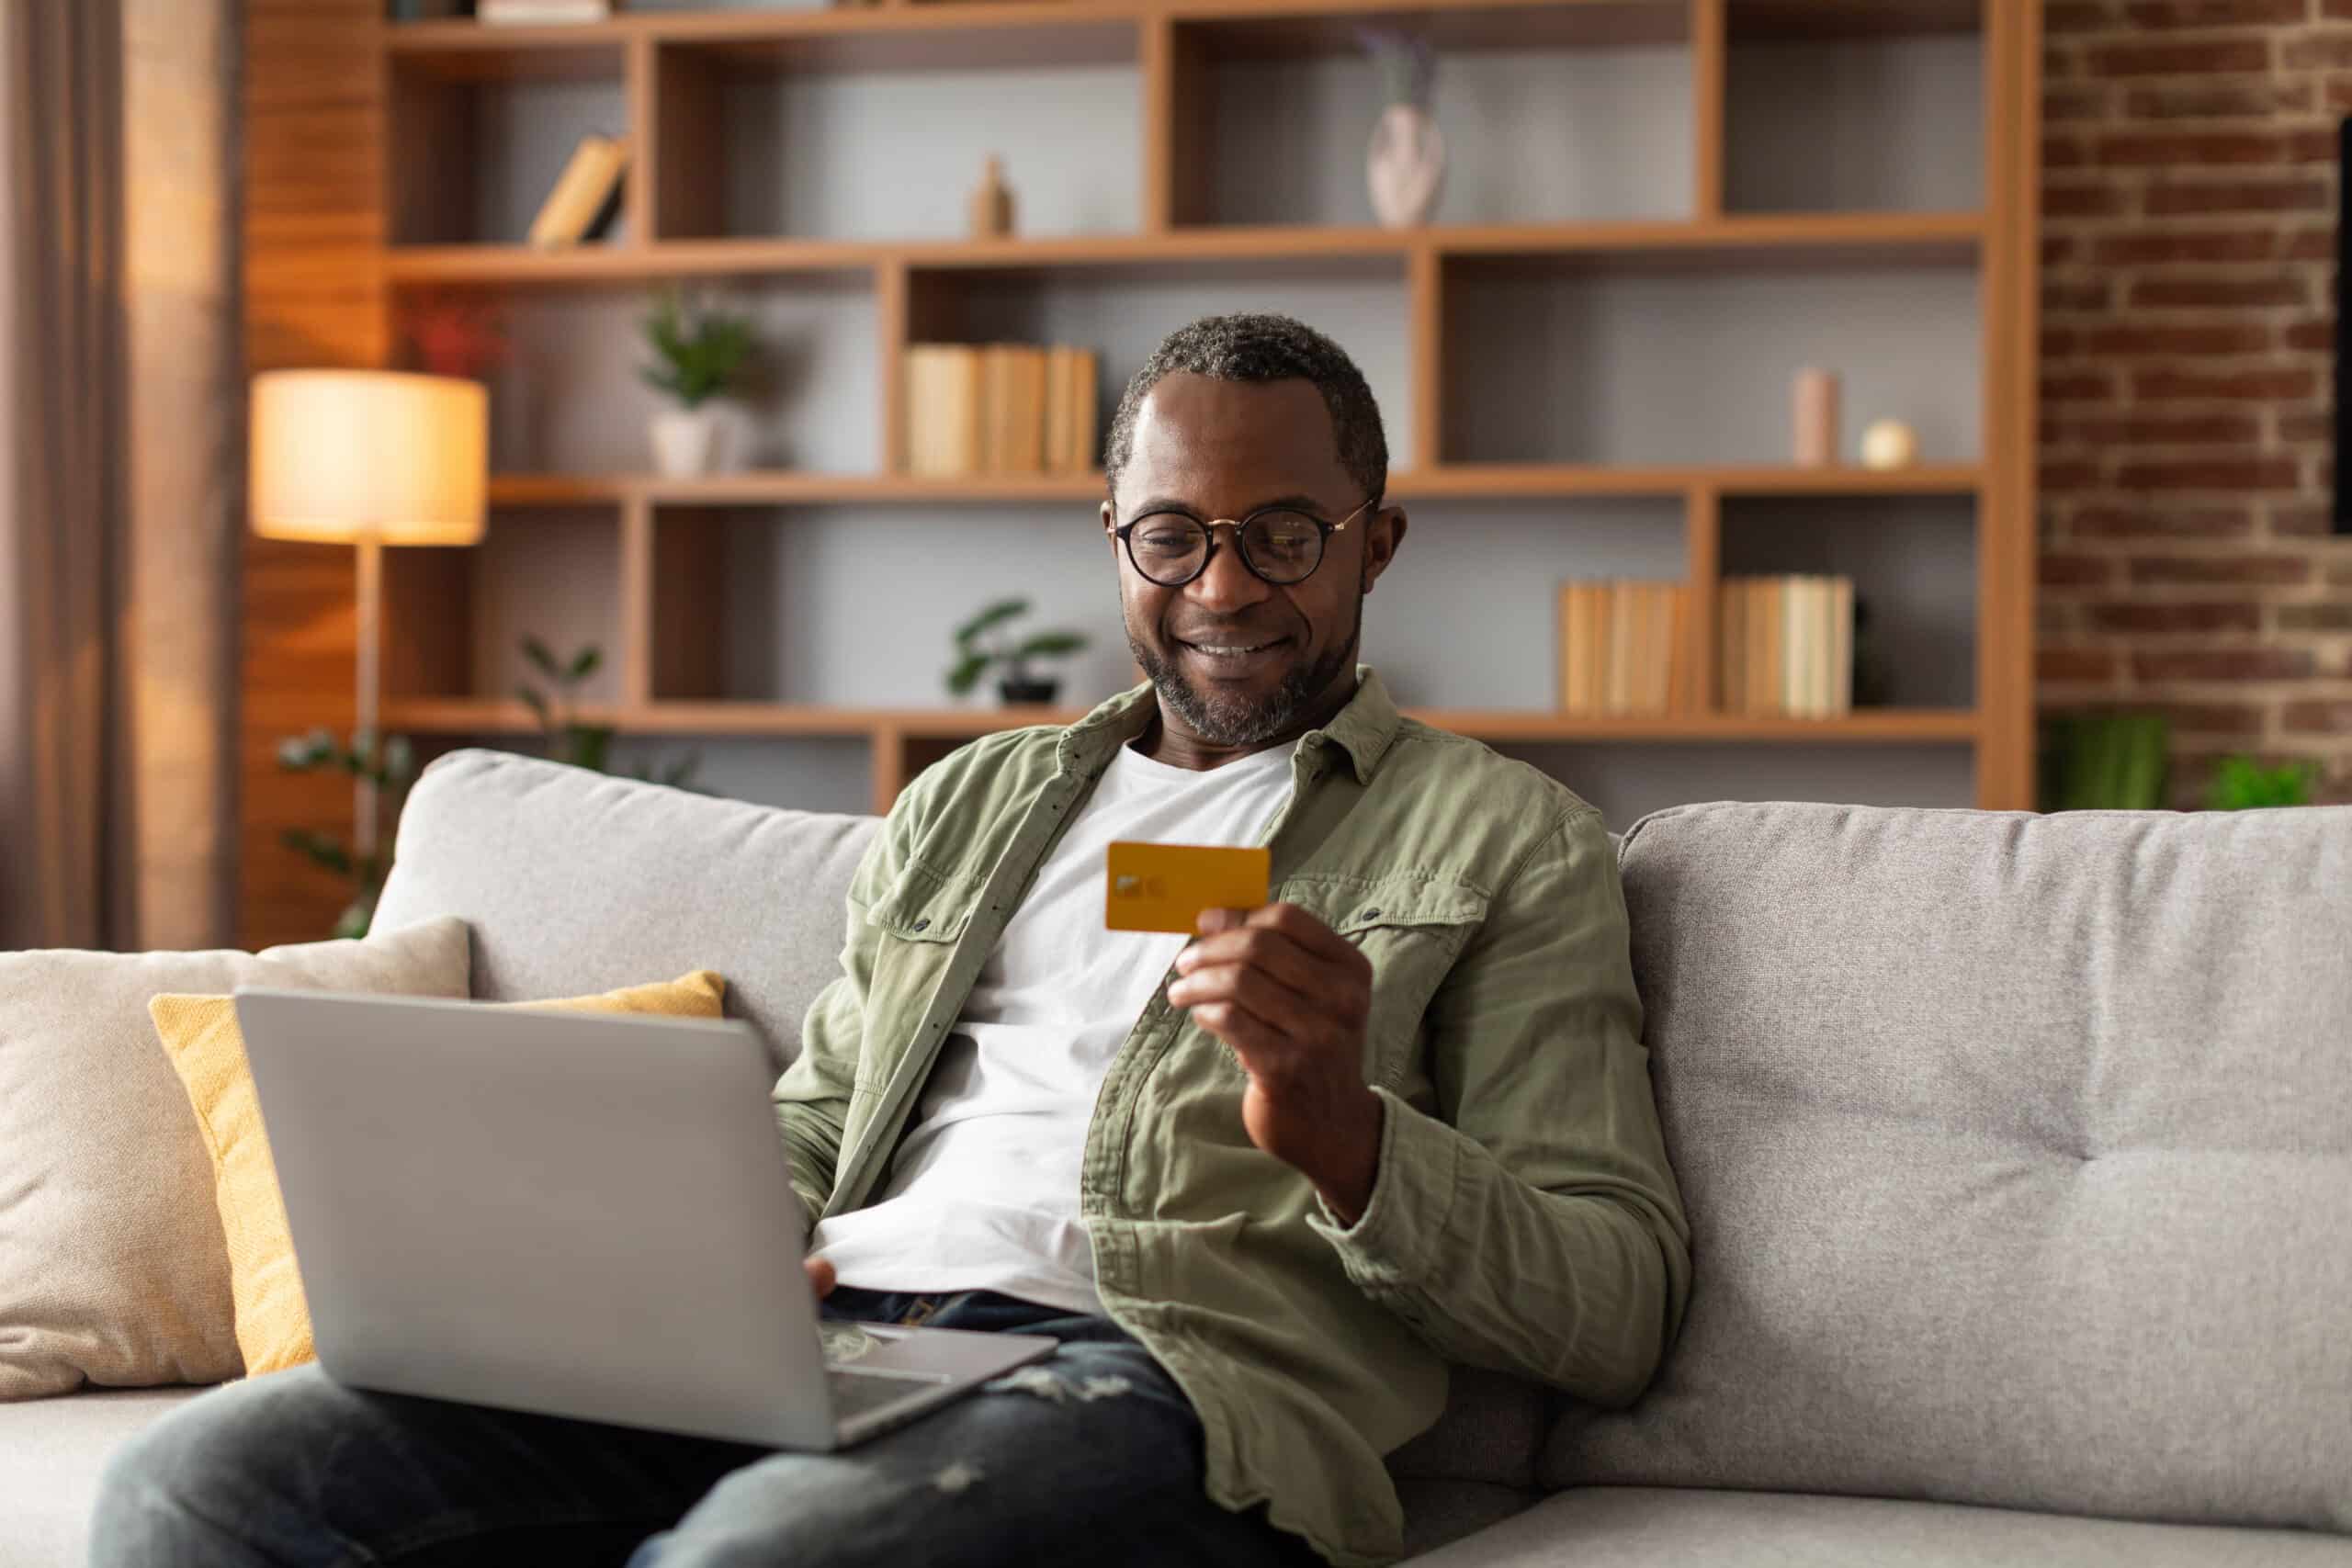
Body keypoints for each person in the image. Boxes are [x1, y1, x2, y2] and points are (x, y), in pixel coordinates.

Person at [92, 313, 1690, 1568]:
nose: (1222, 585)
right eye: (1171, 535)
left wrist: (1348, 1135)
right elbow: (819, 1118)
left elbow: (1614, 1309)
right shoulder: (972, 804)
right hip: (818, 1334)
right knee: (202, 1491)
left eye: (1283, 535)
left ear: (1375, 542)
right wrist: (680, 1263)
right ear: (1114, 536)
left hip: (1150, 1386)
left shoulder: (1507, 842)